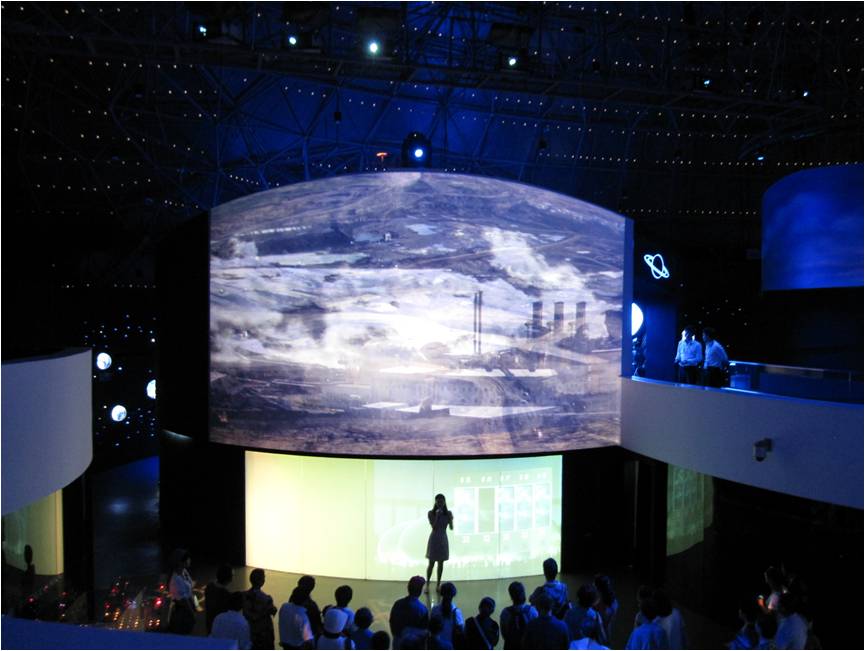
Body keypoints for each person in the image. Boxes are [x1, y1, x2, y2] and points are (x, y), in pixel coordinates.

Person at [389, 576, 429, 649]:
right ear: (420, 591)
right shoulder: (422, 609)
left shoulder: (397, 604)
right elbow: (424, 632)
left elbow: (392, 623)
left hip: (398, 643)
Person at [426, 494, 454, 594]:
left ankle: (438, 584)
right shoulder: (431, 513)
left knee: (441, 563)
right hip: (434, 539)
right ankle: (427, 584)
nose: (440, 504)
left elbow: (451, 528)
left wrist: (451, 520)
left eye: (441, 502)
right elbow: (434, 527)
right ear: (435, 502)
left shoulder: (448, 513)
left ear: (444, 502)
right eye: (438, 502)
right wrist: (437, 516)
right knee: (431, 563)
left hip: (443, 539)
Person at [243, 568, 277, 650]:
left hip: (250, 632)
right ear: (261, 581)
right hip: (264, 635)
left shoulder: (243, 596)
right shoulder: (267, 599)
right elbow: (273, 611)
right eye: (263, 577)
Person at [500, 581, 538, 649]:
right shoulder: (532, 611)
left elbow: (504, 634)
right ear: (523, 593)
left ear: (511, 596)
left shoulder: (505, 613)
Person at [167, 548, 196, 635]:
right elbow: (183, 600)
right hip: (182, 612)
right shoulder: (176, 579)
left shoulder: (184, 571)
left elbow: (190, 588)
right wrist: (192, 614)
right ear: (180, 562)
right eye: (187, 559)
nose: (189, 560)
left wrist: (195, 605)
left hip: (188, 608)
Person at [279, 586, 315, 650]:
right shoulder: (303, 616)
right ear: (305, 600)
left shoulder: (284, 607)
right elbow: (309, 641)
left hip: (285, 646)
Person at [430, 582, 464, 647]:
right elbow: (461, 630)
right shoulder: (456, 612)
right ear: (453, 595)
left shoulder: (435, 610)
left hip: (436, 645)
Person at [206, 564, 235, 634]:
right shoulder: (225, 594)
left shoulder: (210, 586)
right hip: (220, 626)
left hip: (210, 623)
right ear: (229, 578)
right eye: (232, 575)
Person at [593, 575, 618, 644]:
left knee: (604, 628)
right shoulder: (608, 592)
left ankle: (605, 643)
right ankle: (607, 642)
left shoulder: (603, 595)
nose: (593, 585)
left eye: (595, 584)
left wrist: (590, 606)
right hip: (611, 609)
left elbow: (601, 606)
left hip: (606, 612)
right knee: (608, 627)